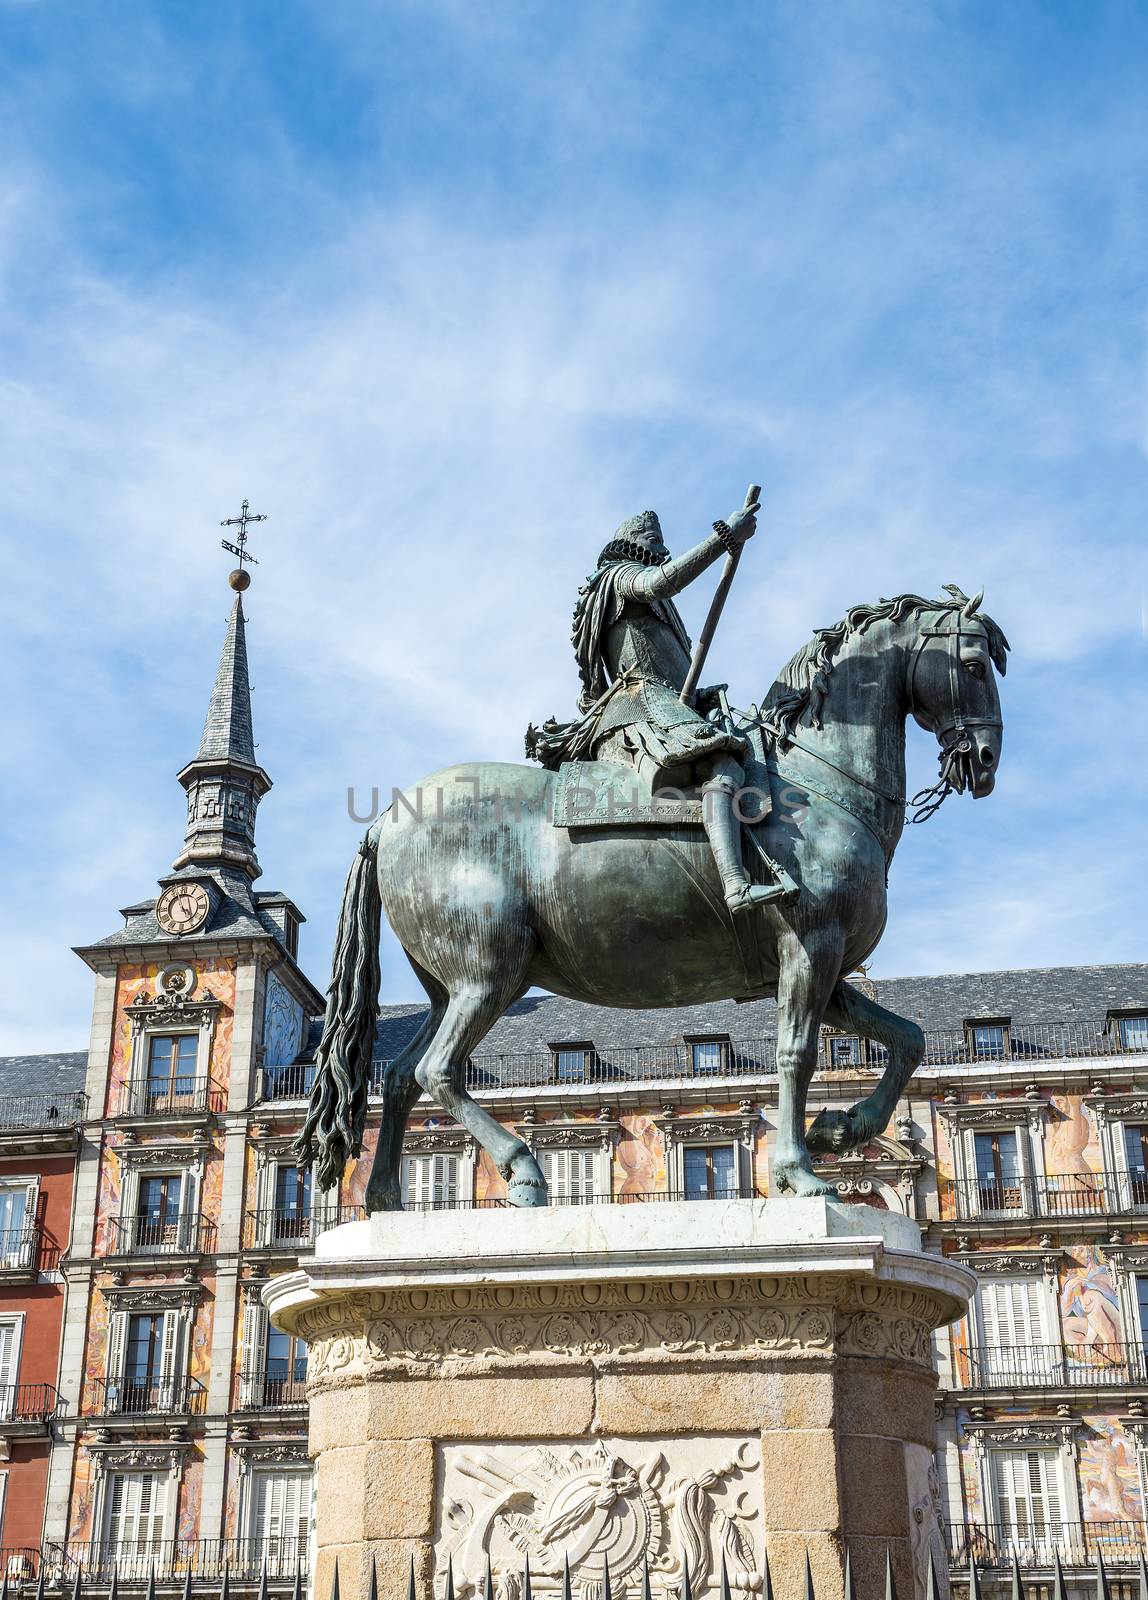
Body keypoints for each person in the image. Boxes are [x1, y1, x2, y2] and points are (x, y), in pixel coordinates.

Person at [526, 500, 790, 915]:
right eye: (653, 540)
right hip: (639, 703)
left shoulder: (654, 601)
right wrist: (724, 538)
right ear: (629, 543)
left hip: (667, 700)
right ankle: (736, 885)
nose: (662, 548)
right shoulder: (618, 577)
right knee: (722, 764)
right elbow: (661, 582)